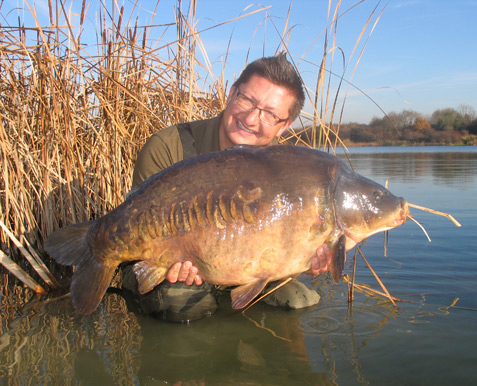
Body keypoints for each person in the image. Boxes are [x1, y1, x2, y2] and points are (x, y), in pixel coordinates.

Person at [122, 54, 334, 323]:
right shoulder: (168, 146)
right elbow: (138, 228)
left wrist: (306, 260)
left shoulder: (286, 175)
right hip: (170, 266)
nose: (251, 118)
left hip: (244, 271)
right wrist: (169, 259)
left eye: (270, 114)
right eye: (247, 99)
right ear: (232, 92)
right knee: (179, 299)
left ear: (284, 126)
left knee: (298, 300)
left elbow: (273, 250)